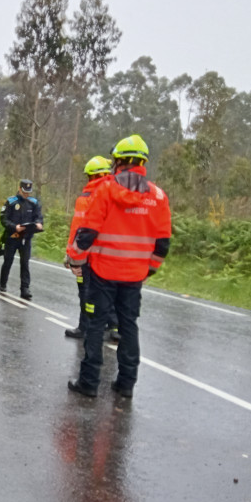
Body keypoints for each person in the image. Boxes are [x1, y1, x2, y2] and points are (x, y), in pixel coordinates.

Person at [66, 135, 171, 398]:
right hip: (134, 276)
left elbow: (87, 233)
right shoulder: (158, 196)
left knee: (94, 324)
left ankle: (89, 383)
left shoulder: (104, 190)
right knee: (128, 325)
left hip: (102, 273)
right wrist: (149, 270)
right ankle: (126, 384)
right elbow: (162, 244)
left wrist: (76, 261)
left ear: (119, 161)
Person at [63, 156, 119, 340]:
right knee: (110, 291)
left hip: (87, 257)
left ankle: (86, 327)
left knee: (86, 292)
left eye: (91, 177)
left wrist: (72, 256)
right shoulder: (116, 195)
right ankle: (113, 326)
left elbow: (78, 230)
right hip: (110, 256)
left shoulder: (86, 198)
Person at [0, 179, 43, 299]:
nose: (26, 194)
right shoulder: (11, 202)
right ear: (19, 189)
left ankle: (25, 289)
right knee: (8, 261)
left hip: (26, 238)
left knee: (25, 263)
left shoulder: (33, 203)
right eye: (24, 192)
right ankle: (3, 284)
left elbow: (38, 217)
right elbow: (3, 219)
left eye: (28, 192)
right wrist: (14, 227)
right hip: (12, 237)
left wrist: (39, 224)